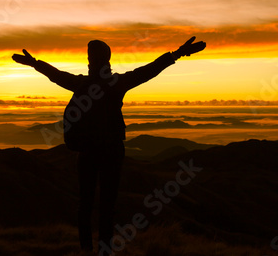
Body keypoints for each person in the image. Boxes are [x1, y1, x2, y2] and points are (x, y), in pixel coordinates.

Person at [12, 36, 206, 254]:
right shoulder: (116, 83)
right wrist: (178, 53)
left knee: (86, 204)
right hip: (112, 151)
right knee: (107, 206)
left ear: (93, 61)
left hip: (87, 152)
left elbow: (56, 75)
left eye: (90, 58)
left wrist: (35, 63)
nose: (88, 61)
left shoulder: (81, 84)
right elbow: (148, 70)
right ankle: (104, 250)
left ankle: (87, 249)